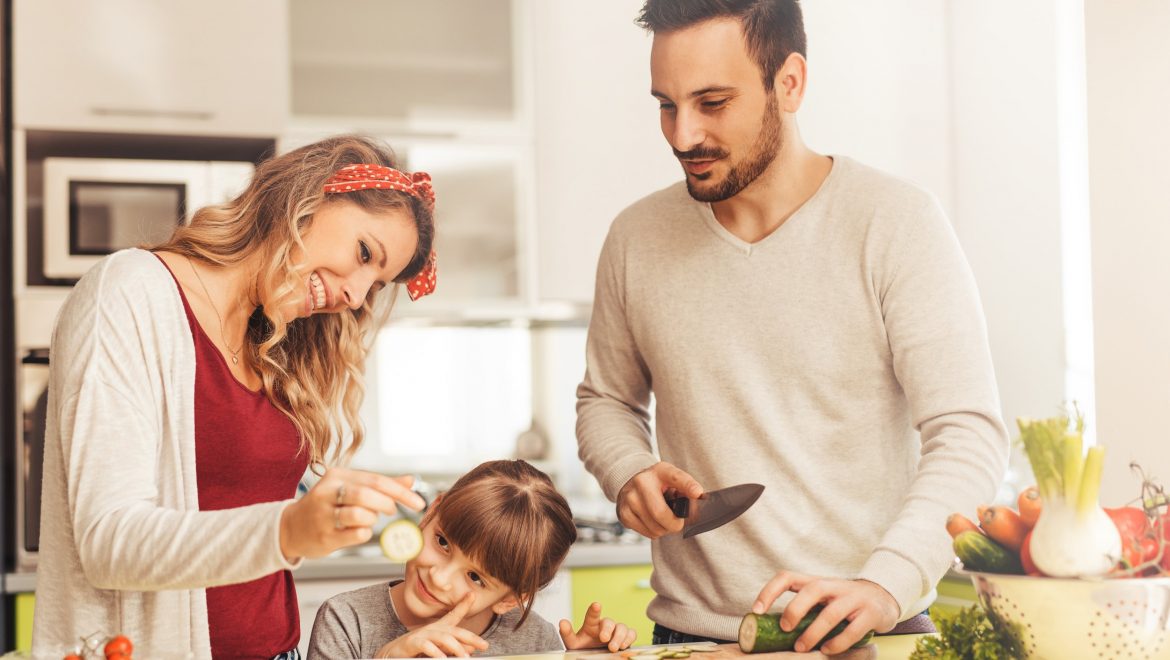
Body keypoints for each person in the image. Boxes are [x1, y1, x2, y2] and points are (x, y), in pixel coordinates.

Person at [575, 0, 1010, 655]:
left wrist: (885, 584)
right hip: (692, 639)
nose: (682, 134)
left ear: (790, 82)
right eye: (666, 104)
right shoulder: (636, 238)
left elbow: (968, 433)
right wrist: (628, 469)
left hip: (870, 630)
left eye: (712, 102)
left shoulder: (895, 224)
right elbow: (605, 400)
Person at [33, 135, 440, 659]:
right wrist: (289, 529)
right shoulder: (129, 293)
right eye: (364, 253)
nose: (355, 297)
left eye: (376, 284)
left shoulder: (273, 340)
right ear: (308, 198)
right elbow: (109, 542)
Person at [307, 459, 637, 659]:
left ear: (510, 599)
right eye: (442, 542)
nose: (439, 577)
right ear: (433, 510)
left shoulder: (534, 642)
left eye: (475, 577)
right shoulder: (345, 620)